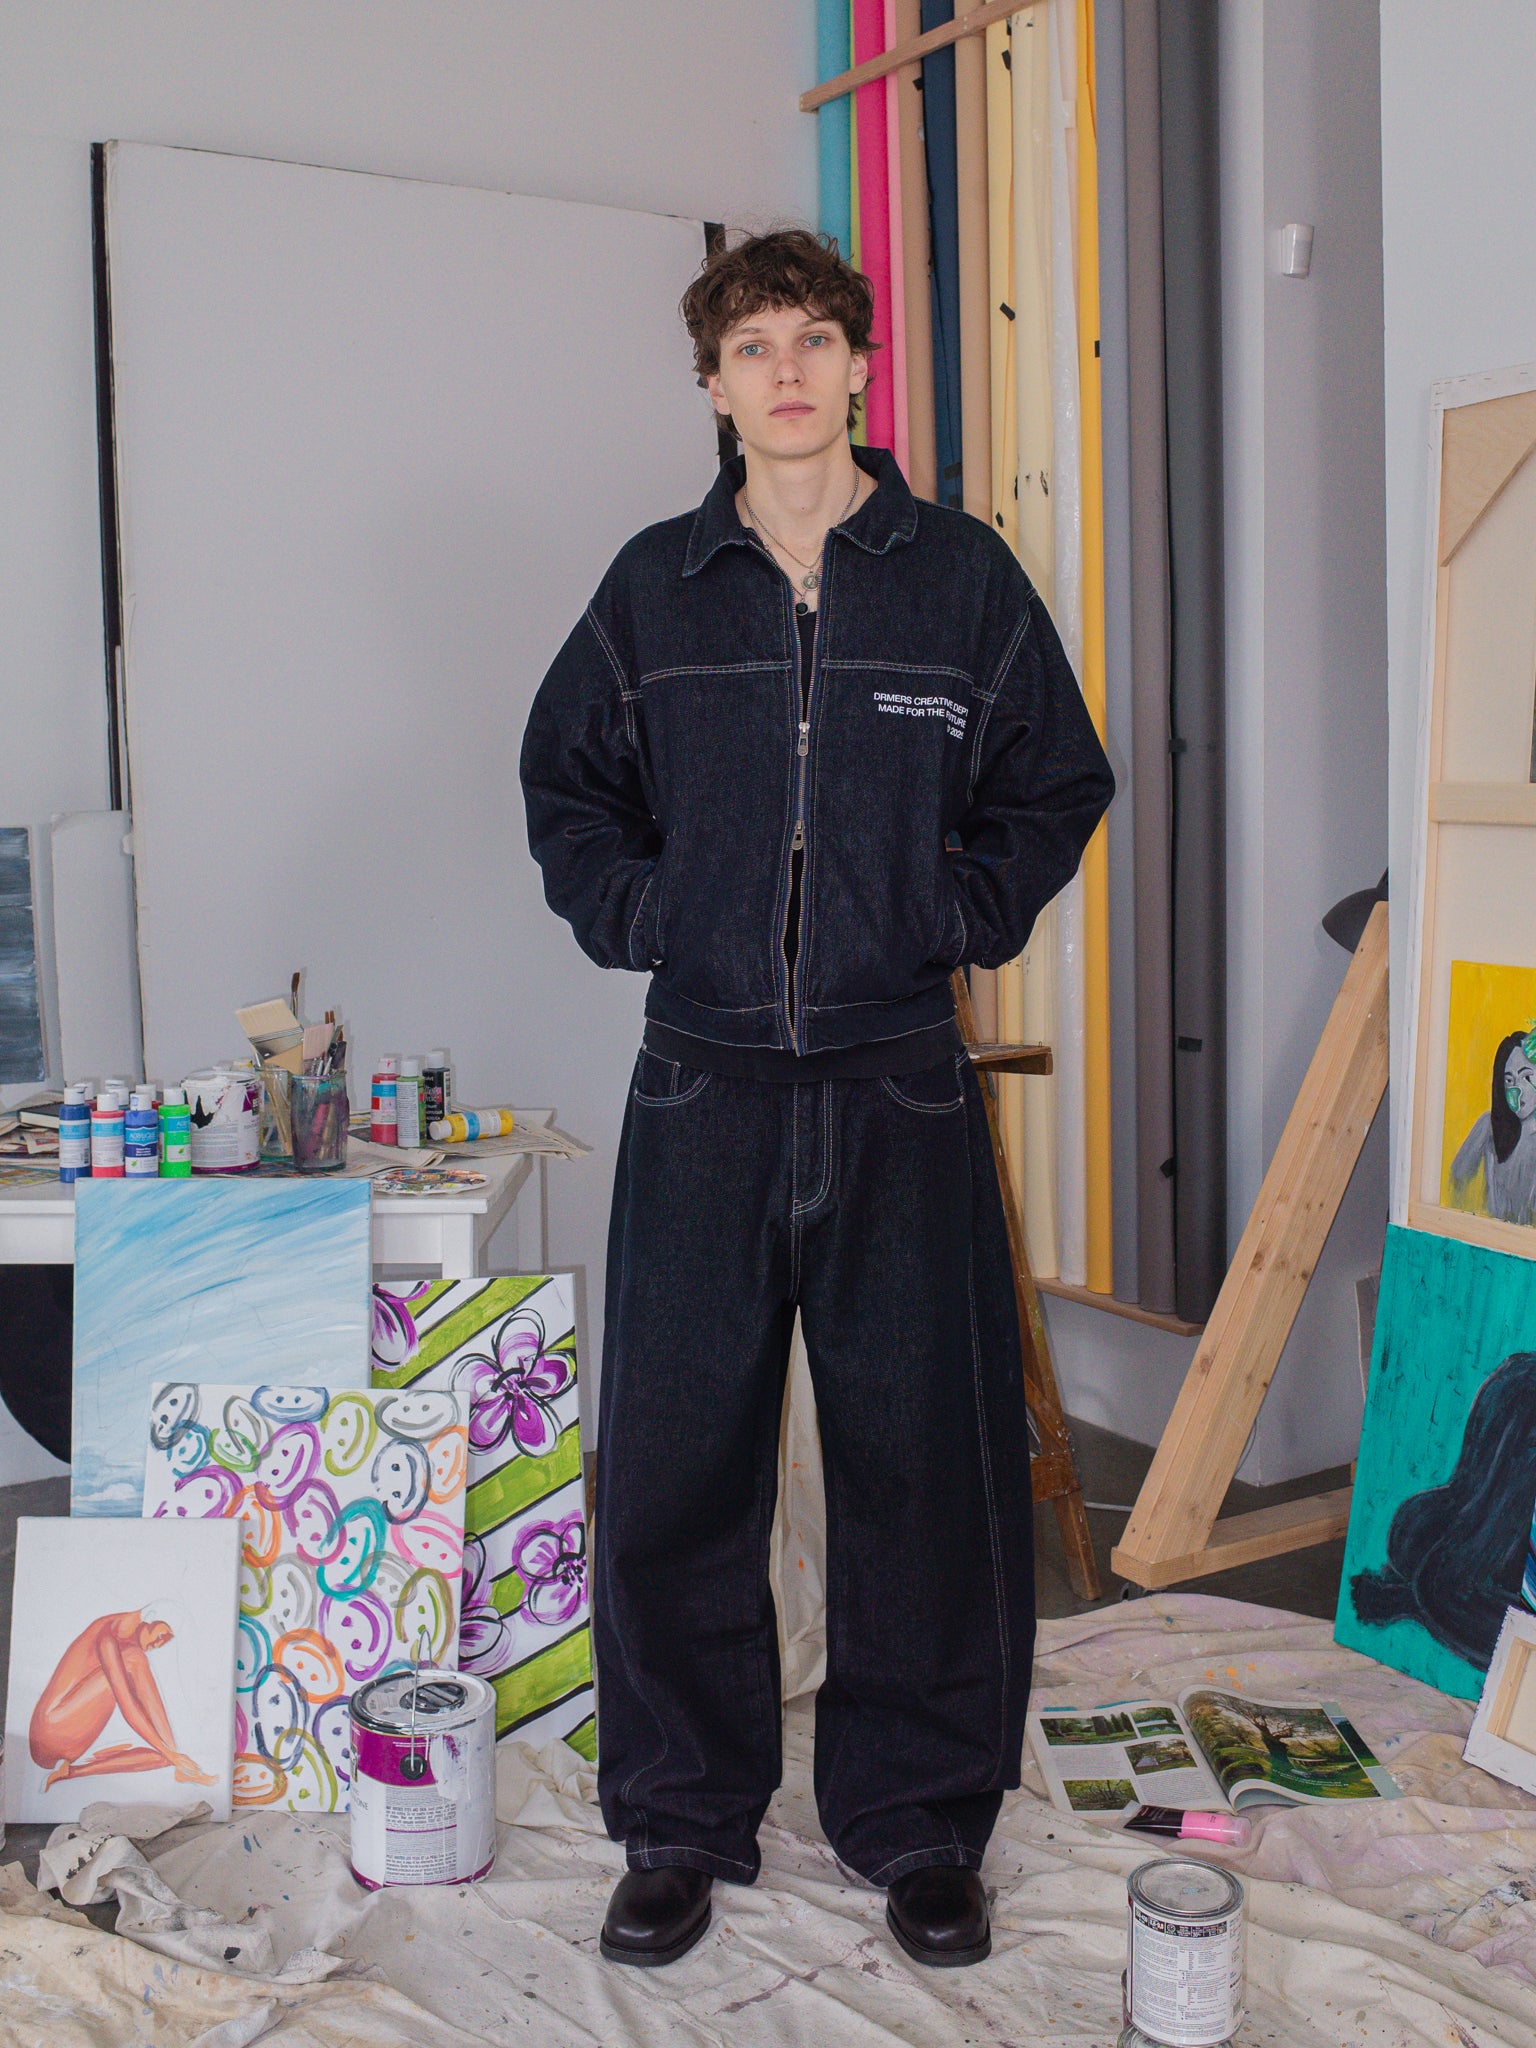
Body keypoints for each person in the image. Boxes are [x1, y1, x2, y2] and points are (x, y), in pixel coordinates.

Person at [521, 228, 1113, 1970]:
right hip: (701, 1081)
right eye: (752, 346)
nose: (786, 370)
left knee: (925, 1466)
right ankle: (680, 1820)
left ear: (860, 365)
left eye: (813, 339)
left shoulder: (961, 580)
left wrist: (950, 911)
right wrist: (651, 916)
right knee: (677, 1465)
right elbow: (566, 788)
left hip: (896, 1081)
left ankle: (920, 1823)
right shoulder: (655, 586)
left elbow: (1055, 783)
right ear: (714, 388)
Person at [29, 1609, 214, 1789]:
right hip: (51, 1731)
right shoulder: (108, 1635)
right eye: (161, 1635)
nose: (159, 1644)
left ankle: (71, 1772)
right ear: (150, 1618)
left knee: (162, 1756)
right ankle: (173, 1756)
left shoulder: (129, 1644)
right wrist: (169, 1752)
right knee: (134, 1658)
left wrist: (171, 1755)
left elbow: (142, 1702)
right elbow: (127, 1705)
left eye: (166, 1640)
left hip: (70, 1739)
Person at [1449, 1030, 1536, 1226]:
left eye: (1527, 1077)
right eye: (1509, 1080)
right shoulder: (1488, 1126)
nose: (1517, 1090)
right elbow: (1456, 1179)